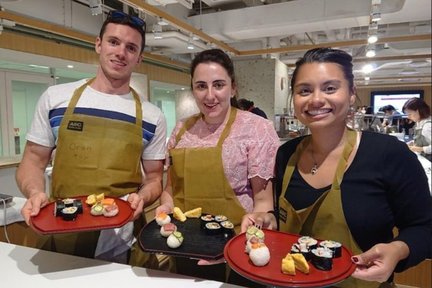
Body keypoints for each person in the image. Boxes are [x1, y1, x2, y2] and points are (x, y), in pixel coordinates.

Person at [242, 48, 431, 287]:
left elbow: (424, 227)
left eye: (330, 88)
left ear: (352, 93)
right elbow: (288, 223)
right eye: (304, 90)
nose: (316, 99)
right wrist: (269, 219)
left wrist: (398, 249)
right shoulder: (287, 154)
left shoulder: (389, 154)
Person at [16, 10, 167, 267]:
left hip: (121, 236)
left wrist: (142, 197)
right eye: (113, 42)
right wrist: (35, 192)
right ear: (98, 44)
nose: (121, 52)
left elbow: (154, 178)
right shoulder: (56, 98)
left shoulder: (152, 116)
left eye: (131, 48)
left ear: (139, 57)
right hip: (63, 226)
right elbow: (32, 161)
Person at [155, 48, 280, 285]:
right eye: (201, 86)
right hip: (185, 242)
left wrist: (256, 224)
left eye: (219, 85)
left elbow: (263, 202)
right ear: (193, 89)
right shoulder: (181, 129)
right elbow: (171, 188)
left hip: (237, 244)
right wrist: (165, 208)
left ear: (233, 87)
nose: (210, 95)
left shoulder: (257, 129)